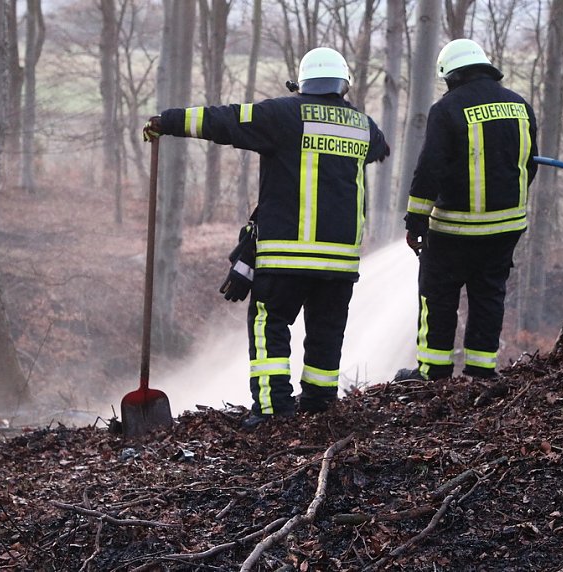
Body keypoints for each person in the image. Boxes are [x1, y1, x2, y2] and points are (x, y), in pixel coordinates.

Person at [143, 47, 389, 428]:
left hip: (286, 255)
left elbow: (223, 121)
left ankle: (274, 410)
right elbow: (381, 148)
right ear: (343, 84)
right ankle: (319, 404)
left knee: (268, 323)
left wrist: (169, 121)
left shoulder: (283, 114)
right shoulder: (363, 125)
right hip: (340, 262)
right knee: (326, 330)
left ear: (303, 82)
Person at [398, 38, 538, 382]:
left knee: (439, 296)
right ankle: (481, 370)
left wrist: (416, 220)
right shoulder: (520, 106)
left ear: (452, 76)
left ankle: (434, 372)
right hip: (506, 228)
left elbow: (430, 169)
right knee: (489, 296)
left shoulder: (446, 110)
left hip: (453, 230)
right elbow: (529, 165)